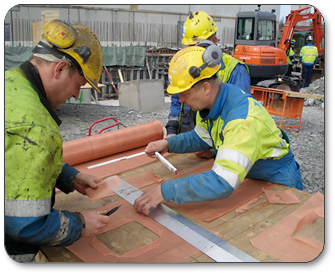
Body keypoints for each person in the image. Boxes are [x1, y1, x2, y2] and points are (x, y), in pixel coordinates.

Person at [134, 46, 303, 216]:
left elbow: (222, 182)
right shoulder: (212, 104)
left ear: (205, 88)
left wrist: (165, 191)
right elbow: (201, 138)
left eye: (184, 94)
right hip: (251, 175)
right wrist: (168, 143)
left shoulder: (242, 122)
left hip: (277, 181)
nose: (182, 101)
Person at [5, 19, 110, 262]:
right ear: (60, 69)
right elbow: (25, 224)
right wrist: (81, 224)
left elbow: (13, 163)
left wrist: (69, 177)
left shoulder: (10, 82)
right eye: (78, 85)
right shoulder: (37, 128)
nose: (76, 94)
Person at [166, 11, 250, 142]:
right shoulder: (185, 66)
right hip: (189, 135)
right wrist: (171, 131)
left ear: (214, 42)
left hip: (217, 142)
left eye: (200, 46)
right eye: (191, 47)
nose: (194, 52)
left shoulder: (235, 70)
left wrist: (212, 150)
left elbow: (240, 116)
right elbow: (177, 100)